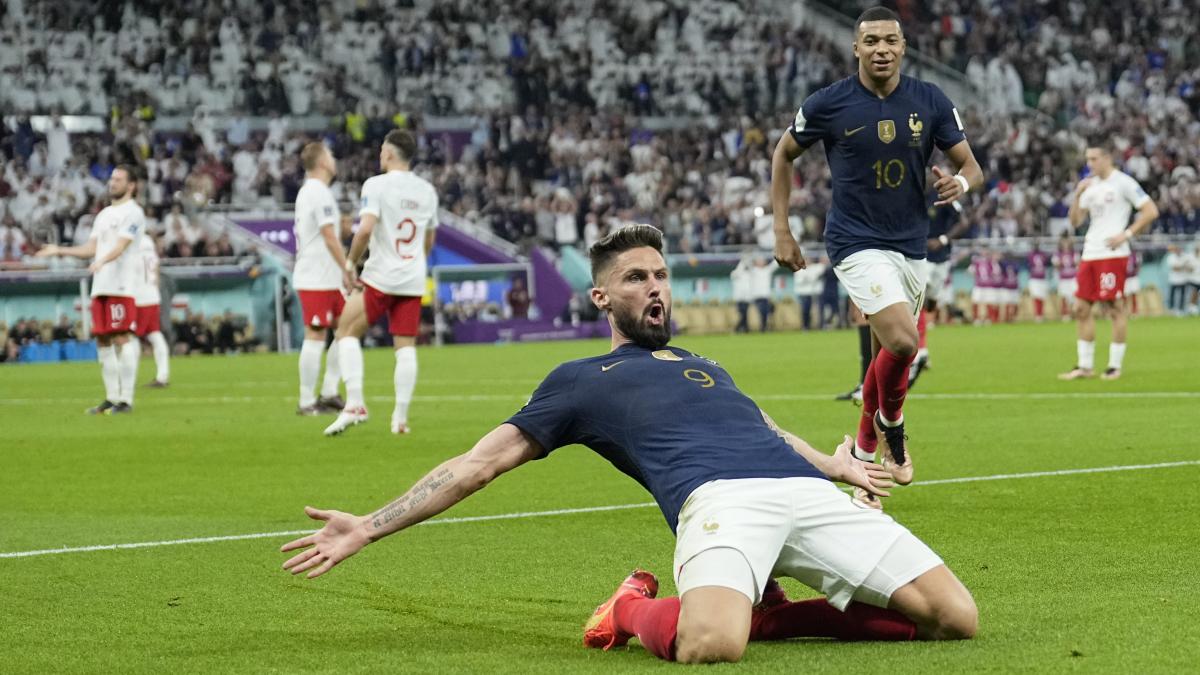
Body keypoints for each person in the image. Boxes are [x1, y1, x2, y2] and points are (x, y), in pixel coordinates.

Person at [280, 225, 978, 664]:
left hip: (806, 493)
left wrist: (833, 463)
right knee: (711, 644)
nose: (656, 288)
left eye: (661, 275)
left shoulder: (705, 363)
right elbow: (477, 464)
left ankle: (766, 611)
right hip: (718, 505)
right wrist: (368, 526)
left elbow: (764, 428)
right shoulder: (580, 380)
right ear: (601, 298)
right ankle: (628, 609)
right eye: (637, 278)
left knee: (955, 618)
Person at [770, 6, 984, 498]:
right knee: (904, 342)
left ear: (903, 47)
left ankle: (864, 462)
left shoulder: (929, 101)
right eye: (871, 42)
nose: (881, 50)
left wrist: (960, 184)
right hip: (854, 241)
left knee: (884, 352)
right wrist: (782, 230)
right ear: (856, 48)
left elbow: (971, 166)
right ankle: (894, 428)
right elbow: (784, 152)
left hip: (909, 246)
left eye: (890, 41)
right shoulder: (829, 103)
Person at [325, 129, 438, 436]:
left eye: (380, 152)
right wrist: (416, 263)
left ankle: (356, 403)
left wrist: (350, 263)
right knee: (405, 345)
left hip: (380, 275)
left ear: (388, 154)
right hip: (412, 278)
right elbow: (429, 239)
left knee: (345, 330)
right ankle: (400, 420)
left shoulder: (375, 185)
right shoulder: (427, 191)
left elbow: (364, 230)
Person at [35, 165, 146, 414]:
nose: (112, 183)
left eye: (118, 179)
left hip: (121, 285)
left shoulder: (134, 212)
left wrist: (102, 260)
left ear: (131, 186)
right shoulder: (104, 214)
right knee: (103, 339)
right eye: (111, 179)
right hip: (101, 284)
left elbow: (122, 246)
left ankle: (126, 399)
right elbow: (90, 248)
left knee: (121, 337)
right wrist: (59, 250)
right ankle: (111, 397)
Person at [1059, 139, 1159, 381]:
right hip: (1090, 252)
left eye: (1093, 159)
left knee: (1114, 308)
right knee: (1081, 308)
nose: (1089, 164)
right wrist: (1077, 195)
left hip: (1112, 254)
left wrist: (1125, 234)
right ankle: (1085, 366)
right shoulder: (1089, 185)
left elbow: (1150, 211)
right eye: (1087, 159)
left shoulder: (1123, 183)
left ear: (1107, 158)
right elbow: (1075, 222)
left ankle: (1114, 366)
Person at [293, 142, 352, 416]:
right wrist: (347, 268)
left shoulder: (318, 192)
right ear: (322, 162)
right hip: (315, 276)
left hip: (327, 277)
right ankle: (306, 401)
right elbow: (328, 237)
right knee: (316, 335)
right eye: (330, 155)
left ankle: (329, 391)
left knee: (347, 329)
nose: (334, 159)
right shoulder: (316, 191)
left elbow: (328, 232)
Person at [910, 199, 968, 387]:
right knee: (919, 300)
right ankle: (920, 351)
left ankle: (920, 350)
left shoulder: (946, 197)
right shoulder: (913, 193)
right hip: (921, 257)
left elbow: (964, 223)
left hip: (942, 258)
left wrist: (943, 239)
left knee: (931, 304)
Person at [134, 233, 170, 387]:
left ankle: (128, 377)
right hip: (153, 295)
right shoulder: (150, 247)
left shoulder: (132, 245)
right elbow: (156, 272)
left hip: (139, 298)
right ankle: (162, 375)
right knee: (155, 334)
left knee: (132, 337)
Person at [792, 252, 824, 331]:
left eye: (809, 260)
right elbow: (799, 281)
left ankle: (820, 326)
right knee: (805, 311)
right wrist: (808, 278)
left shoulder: (815, 267)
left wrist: (808, 277)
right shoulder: (799, 269)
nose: (808, 261)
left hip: (814, 293)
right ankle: (805, 326)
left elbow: (822, 267)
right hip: (804, 293)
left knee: (818, 311)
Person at [1052, 236, 1078, 320]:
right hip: (1063, 279)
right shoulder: (1058, 254)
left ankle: (1074, 314)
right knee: (1064, 296)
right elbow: (1056, 265)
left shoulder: (1074, 253)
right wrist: (1060, 263)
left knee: (1074, 296)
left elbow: (1077, 263)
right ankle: (1065, 314)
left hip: (1073, 278)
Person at [1163, 244, 1190, 315]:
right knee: (1172, 295)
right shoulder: (1171, 257)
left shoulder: (1185, 256)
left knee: (1182, 296)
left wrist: (1181, 267)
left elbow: (1190, 268)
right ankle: (1171, 309)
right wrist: (1183, 266)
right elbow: (1175, 268)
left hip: (1183, 279)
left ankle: (1181, 310)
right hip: (1173, 280)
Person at [1027, 244, 1050, 322]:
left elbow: (1047, 264)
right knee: (1036, 296)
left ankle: (1041, 314)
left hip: (1042, 278)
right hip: (1034, 278)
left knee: (1042, 297)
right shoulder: (1030, 255)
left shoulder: (1043, 255)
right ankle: (1037, 315)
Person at [1123, 249, 1142, 316]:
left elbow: (1138, 265)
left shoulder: (1135, 255)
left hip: (1133, 277)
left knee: (1134, 294)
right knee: (1125, 295)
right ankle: (1124, 311)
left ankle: (1134, 311)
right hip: (1126, 278)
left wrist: (1136, 272)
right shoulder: (1123, 255)